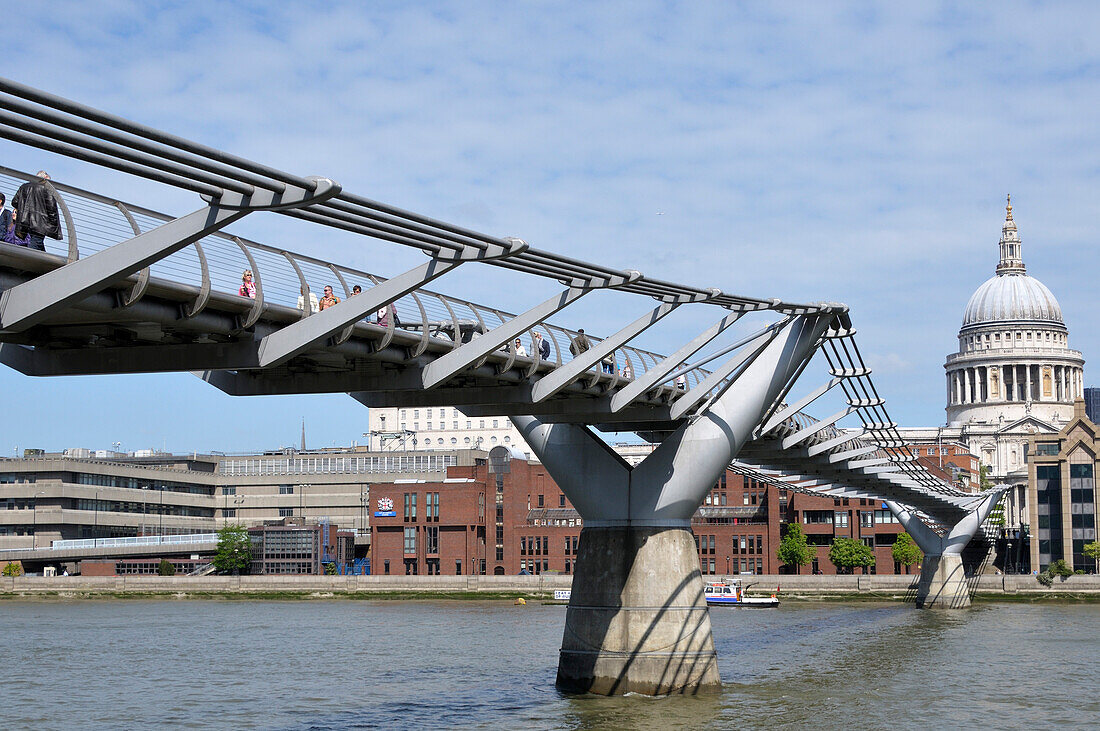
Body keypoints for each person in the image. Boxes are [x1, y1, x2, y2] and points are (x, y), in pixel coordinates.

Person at [12, 170, 62, 252]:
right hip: (40, 223)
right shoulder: (46, 188)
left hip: (25, 221)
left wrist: (24, 210)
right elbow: (51, 208)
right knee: (36, 242)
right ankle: (33, 258)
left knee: (37, 241)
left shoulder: (24, 187)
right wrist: (53, 224)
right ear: (45, 178)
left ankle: (44, 259)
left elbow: (14, 202)